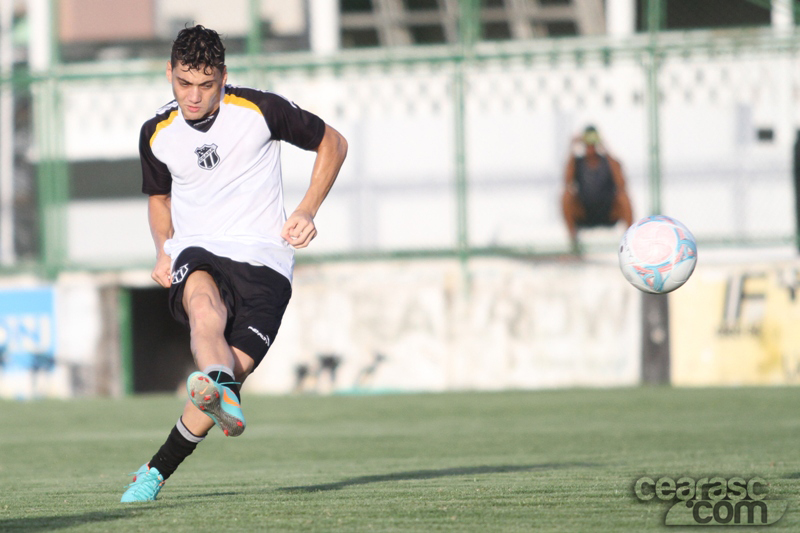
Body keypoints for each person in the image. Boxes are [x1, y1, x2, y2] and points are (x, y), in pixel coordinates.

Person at [121, 25, 347, 502]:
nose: (195, 96)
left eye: (207, 85)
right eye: (184, 83)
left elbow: (334, 143)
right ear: (170, 74)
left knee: (220, 383)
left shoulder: (261, 110)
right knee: (204, 310)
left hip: (266, 263)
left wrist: (307, 209)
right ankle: (220, 391)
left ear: (225, 77)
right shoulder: (156, 133)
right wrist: (164, 248)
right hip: (199, 249)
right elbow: (159, 199)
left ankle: (156, 468)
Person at [561, 125, 633, 253]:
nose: (590, 147)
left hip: (608, 211)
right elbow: (567, 182)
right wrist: (572, 149)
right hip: (585, 211)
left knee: (624, 197)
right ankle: (574, 246)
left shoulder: (608, 162)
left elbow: (622, 183)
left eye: (593, 142)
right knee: (566, 196)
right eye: (587, 142)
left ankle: (631, 244)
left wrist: (605, 148)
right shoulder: (578, 163)